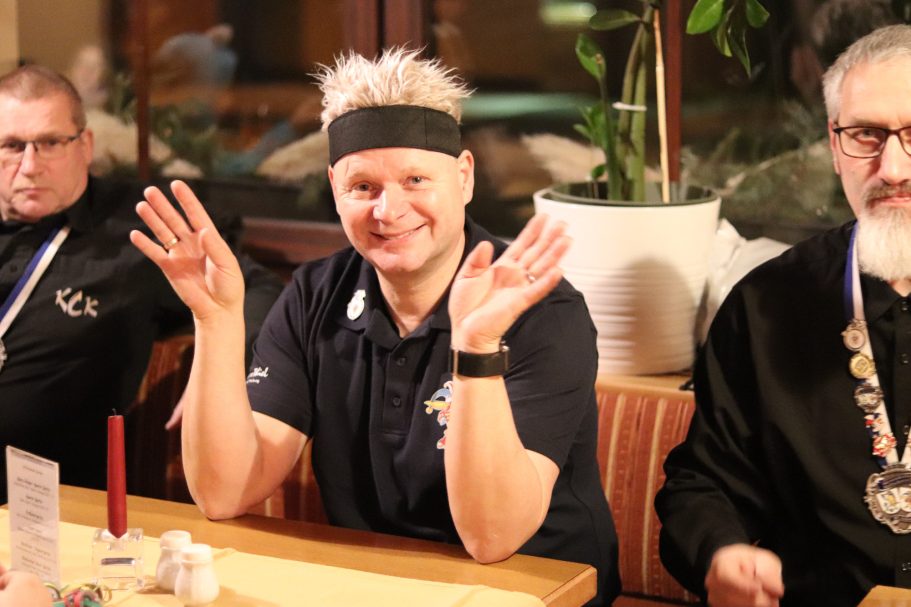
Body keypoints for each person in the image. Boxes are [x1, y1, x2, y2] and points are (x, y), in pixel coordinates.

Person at [131, 47, 620, 605]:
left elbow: (492, 538)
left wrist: (476, 347)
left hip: (534, 588)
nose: (389, 210)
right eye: (363, 186)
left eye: (416, 179)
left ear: (463, 177)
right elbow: (223, 493)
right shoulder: (315, 295)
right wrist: (216, 319)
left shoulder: (543, 311)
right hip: (369, 585)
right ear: (334, 187)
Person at [656, 24, 911, 607]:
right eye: (866, 135)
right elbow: (705, 483)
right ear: (834, 145)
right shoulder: (766, 304)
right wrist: (721, 554)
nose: (893, 168)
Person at [0, 65, 282, 505]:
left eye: (51, 143)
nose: (31, 165)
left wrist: (218, 373)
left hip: (52, 506)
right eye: (13, 146)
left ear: (85, 145)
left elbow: (259, 289)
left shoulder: (137, 230)